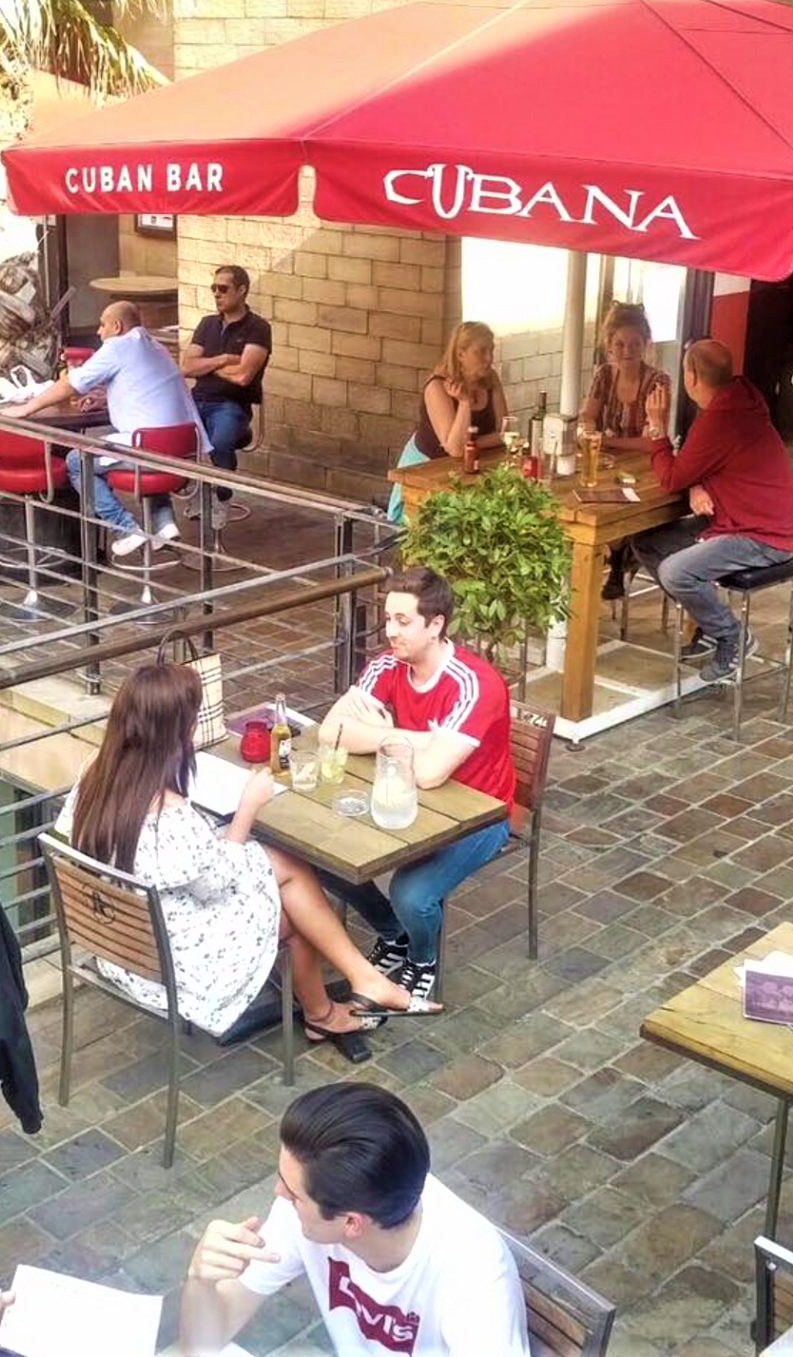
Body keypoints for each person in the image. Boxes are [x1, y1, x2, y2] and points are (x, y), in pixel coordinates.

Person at [59, 665, 434, 1060]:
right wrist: (248, 808)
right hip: (172, 963)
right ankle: (328, 1010)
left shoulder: (94, 773)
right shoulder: (168, 814)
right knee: (291, 910)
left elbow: (180, 866)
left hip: (120, 942)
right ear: (173, 731)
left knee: (286, 869)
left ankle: (352, 988)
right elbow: (215, 883)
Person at [180, 1082, 530, 1357]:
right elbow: (203, 1345)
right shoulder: (308, 1212)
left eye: (293, 1192)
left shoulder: (475, 1281)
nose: (279, 1193)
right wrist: (201, 1281)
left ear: (351, 1224)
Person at [316, 568, 514, 1005]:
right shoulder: (388, 665)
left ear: (436, 624)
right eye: (388, 619)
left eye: (403, 622)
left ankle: (422, 959)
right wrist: (415, 739)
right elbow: (330, 732)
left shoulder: (474, 684)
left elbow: (430, 774)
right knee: (319, 855)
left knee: (412, 893)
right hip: (402, 796)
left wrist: (377, 734)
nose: (390, 632)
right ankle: (395, 934)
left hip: (476, 816)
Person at [627, 339, 793, 685]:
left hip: (763, 535)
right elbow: (704, 465)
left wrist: (657, 429)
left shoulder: (720, 418)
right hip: (735, 519)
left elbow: (671, 478)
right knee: (648, 543)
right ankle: (709, 626)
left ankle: (732, 637)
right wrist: (697, 482)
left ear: (691, 376)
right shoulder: (740, 397)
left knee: (676, 571)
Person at [4, 300, 207, 559]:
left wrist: (27, 408)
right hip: (183, 448)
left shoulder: (118, 347)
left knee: (77, 460)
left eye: (102, 325)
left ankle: (125, 529)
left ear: (117, 326)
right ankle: (163, 522)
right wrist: (106, 399)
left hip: (149, 448)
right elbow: (144, 394)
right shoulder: (155, 346)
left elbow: (70, 385)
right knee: (122, 447)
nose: (99, 332)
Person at [581, 301, 665, 599]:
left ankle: (617, 564)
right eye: (620, 344)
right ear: (609, 345)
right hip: (608, 461)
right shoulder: (604, 375)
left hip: (644, 465)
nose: (627, 351)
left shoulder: (657, 381)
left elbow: (650, 442)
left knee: (619, 504)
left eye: (634, 344)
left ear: (645, 345)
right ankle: (616, 557)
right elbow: (588, 414)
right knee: (592, 498)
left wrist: (605, 439)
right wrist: (589, 426)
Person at [386, 321, 509, 520]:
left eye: (492, 350)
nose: (489, 358)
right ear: (461, 354)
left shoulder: (490, 379)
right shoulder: (437, 387)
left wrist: (472, 446)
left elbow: (505, 431)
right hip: (428, 473)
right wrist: (464, 403)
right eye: (481, 352)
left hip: (474, 469)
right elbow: (455, 450)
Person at [180, 264, 271, 500]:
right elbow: (186, 367)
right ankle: (186, 495)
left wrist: (207, 366)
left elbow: (243, 376)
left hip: (230, 404)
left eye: (223, 288)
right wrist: (222, 360)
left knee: (220, 442)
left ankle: (221, 499)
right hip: (196, 400)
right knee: (166, 435)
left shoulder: (257, 327)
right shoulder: (207, 323)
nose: (216, 294)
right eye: (213, 288)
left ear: (241, 290)